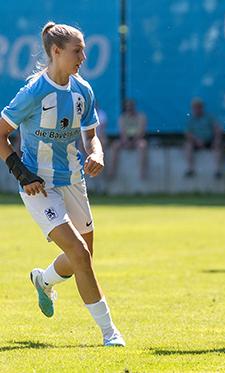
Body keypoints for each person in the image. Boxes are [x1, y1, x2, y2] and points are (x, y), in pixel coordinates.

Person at [0, 22, 125, 347]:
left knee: (83, 256)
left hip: (74, 182)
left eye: (83, 49)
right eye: (77, 51)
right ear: (56, 52)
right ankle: (110, 334)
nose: (83, 56)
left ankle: (43, 279)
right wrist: (21, 172)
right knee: (80, 255)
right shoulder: (33, 92)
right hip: (39, 187)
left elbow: (91, 137)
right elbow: (1, 134)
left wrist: (96, 154)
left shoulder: (83, 90)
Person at [184, 98, 225, 178]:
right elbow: (188, 133)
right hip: (196, 142)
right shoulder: (191, 119)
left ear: (202, 108)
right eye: (195, 107)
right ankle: (190, 168)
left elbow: (217, 129)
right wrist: (196, 140)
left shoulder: (209, 117)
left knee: (218, 147)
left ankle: (217, 170)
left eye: (198, 107)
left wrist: (216, 140)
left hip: (210, 140)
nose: (197, 109)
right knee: (187, 146)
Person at [108, 98, 148, 179]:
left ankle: (142, 172)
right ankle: (111, 171)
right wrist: (126, 141)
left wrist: (133, 141)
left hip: (137, 139)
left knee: (143, 145)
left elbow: (141, 131)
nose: (130, 108)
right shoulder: (122, 118)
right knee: (115, 145)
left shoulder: (141, 117)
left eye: (131, 106)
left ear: (134, 107)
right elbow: (122, 132)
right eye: (128, 107)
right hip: (126, 139)